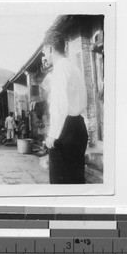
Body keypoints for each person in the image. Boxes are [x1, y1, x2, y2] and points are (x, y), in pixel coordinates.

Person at [42, 30, 88, 184]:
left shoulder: (60, 68)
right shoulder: (75, 68)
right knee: (76, 180)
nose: (44, 56)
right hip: (79, 127)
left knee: (61, 184)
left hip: (65, 131)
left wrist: (52, 135)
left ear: (49, 48)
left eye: (44, 52)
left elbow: (60, 105)